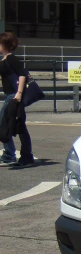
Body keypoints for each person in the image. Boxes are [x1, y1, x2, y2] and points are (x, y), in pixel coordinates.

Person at [0, 32, 33, 167]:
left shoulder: (12, 59)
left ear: (5, 45)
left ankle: (12, 154)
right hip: (11, 95)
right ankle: (21, 155)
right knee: (19, 125)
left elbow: (22, 75)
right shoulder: (5, 59)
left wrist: (18, 93)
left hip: (13, 96)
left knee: (6, 123)